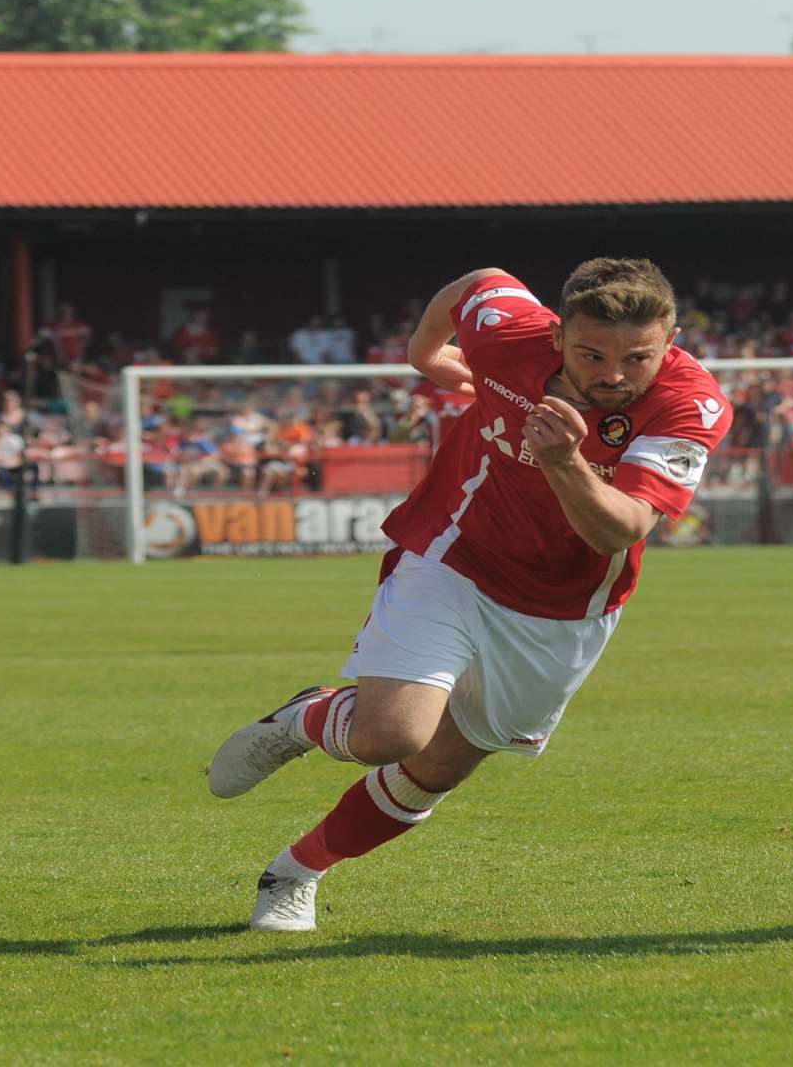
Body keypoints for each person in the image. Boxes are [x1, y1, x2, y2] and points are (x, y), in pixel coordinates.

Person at [205, 258, 731, 932]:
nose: (614, 375)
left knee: (440, 766)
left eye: (638, 357)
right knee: (389, 735)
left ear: (671, 339)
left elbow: (619, 530)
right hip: (454, 554)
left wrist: (564, 462)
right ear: (556, 337)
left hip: (565, 606)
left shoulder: (691, 403)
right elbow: (479, 281)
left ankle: (295, 871)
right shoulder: (509, 334)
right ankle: (307, 721)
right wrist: (426, 355)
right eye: (591, 354)